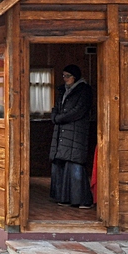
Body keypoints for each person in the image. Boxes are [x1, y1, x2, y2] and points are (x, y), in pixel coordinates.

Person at [50, 64, 94, 208]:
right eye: (63, 76)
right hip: (63, 131)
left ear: (75, 77)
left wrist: (59, 118)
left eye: (67, 76)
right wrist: (55, 116)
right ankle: (65, 198)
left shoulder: (84, 90)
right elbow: (56, 108)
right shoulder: (62, 91)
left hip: (76, 131)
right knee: (62, 162)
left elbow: (78, 111)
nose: (65, 79)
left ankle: (81, 200)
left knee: (75, 163)